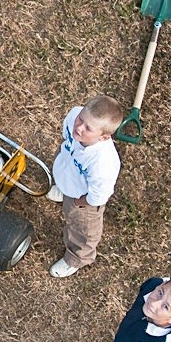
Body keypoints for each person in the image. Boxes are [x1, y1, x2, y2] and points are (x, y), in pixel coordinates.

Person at [45, 95, 122, 277]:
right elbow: (66, 139)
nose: (79, 127)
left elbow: (99, 195)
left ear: (103, 137)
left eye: (88, 128)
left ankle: (77, 258)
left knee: (83, 231)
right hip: (68, 175)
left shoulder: (104, 164)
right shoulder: (74, 116)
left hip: (83, 199)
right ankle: (64, 191)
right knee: (66, 186)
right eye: (81, 119)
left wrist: (80, 201)